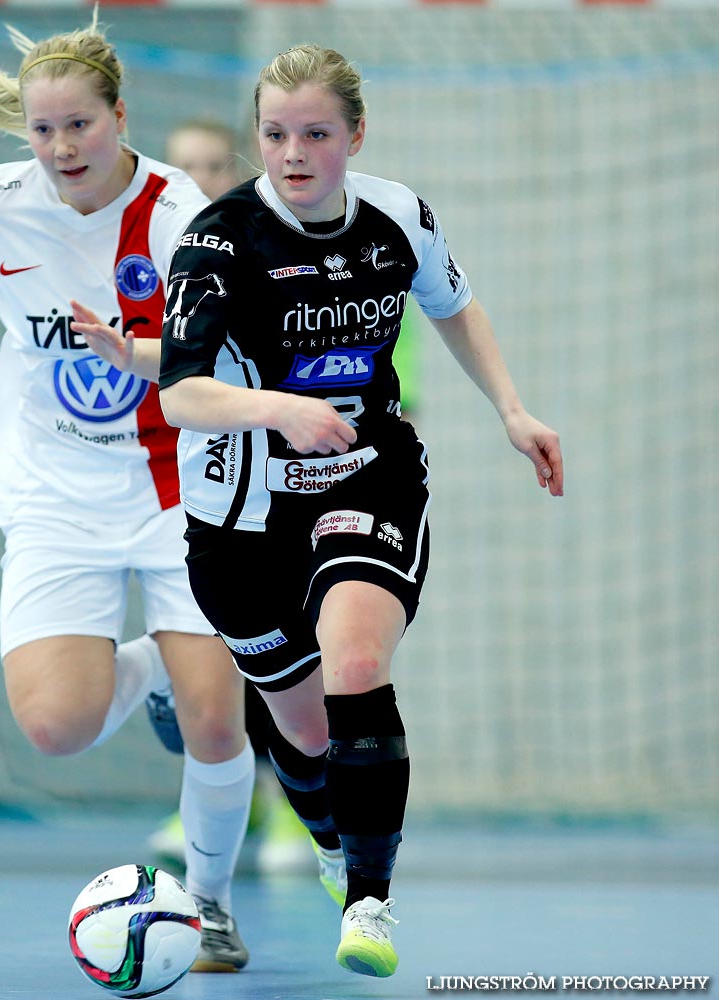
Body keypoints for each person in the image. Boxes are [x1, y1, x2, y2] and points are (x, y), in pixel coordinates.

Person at [157, 44, 564, 978]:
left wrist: (511, 408)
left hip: (363, 475)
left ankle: (371, 902)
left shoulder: (400, 217)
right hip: (238, 510)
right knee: (300, 731)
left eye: (315, 134)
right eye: (274, 134)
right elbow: (182, 392)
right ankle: (336, 846)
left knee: (355, 663)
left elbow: (456, 306)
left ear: (355, 136)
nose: (292, 154)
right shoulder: (218, 241)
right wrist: (279, 409)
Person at [0, 14, 254, 974]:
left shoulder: (180, 218)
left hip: (179, 486)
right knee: (56, 726)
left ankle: (207, 906)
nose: (61, 149)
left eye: (79, 126)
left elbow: (219, 352)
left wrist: (133, 353)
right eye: (43, 131)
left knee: (216, 720)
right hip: (52, 494)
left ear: (120, 117)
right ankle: (157, 666)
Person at [152, 119, 312, 877]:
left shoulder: (280, 250)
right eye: (187, 168)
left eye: (216, 166)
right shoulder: (166, 265)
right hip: (208, 483)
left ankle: (290, 805)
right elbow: (176, 369)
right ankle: (220, 795)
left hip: (300, 482)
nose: (203, 181)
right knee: (212, 651)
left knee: (294, 658)